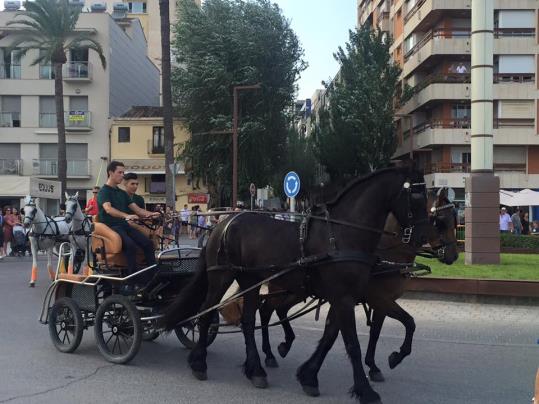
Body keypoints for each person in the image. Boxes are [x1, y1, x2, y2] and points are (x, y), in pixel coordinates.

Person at [97, 161, 160, 281]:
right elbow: (108, 209)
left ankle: (153, 276)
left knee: (148, 244)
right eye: (119, 172)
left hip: (124, 226)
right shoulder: (103, 192)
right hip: (111, 227)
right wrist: (127, 216)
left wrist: (152, 214)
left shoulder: (122, 193)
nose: (122, 175)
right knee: (130, 246)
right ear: (110, 173)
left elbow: (138, 210)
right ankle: (132, 280)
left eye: (123, 172)